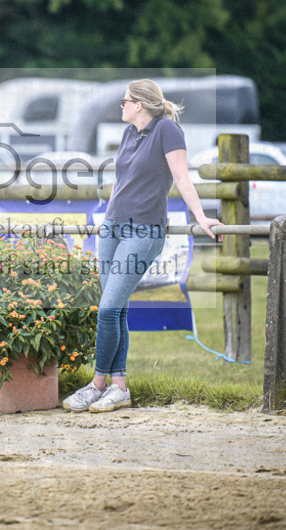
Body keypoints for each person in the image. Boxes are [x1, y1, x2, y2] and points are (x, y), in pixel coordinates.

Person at [63, 79, 223, 413]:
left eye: (125, 101)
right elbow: (123, 181)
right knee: (117, 309)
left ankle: (97, 385)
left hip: (144, 230)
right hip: (112, 227)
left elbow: (182, 178)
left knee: (107, 309)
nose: (121, 105)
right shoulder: (128, 133)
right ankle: (119, 387)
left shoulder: (167, 130)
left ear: (139, 104)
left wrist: (201, 217)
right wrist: (107, 218)